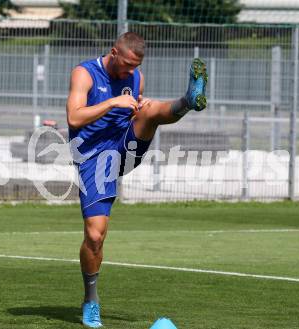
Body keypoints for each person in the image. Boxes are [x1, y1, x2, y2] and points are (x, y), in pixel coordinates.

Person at [66, 31, 207, 328]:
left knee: (150, 110)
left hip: (123, 146)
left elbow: (130, 108)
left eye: (135, 67)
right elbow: (74, 118)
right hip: (93, 159)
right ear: (114, 51)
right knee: (95, 235)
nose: (131, 72)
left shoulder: (135, 77)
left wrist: (135, 106)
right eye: (127, 65)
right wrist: (113, 102)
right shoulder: (84, 73)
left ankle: (189, 99)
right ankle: (91, 301)